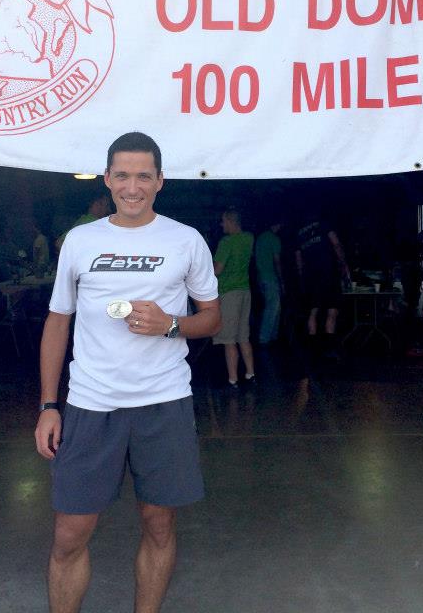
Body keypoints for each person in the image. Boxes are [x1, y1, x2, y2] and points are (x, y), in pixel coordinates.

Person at [34, 132, 221, 613]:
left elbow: (212, 318)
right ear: (107, 179)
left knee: (159, 525)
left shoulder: (186, 240)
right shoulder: (80, 241)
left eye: (143, 176)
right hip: (91, 405)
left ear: (160, 181)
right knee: (69, 534)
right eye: (122, 175)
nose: (132, 187)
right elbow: (58, 322)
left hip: (164, 403)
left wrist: (171, 324)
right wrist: (48, 405)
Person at [294, 216, 349, 359]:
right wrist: (343, 264)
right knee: (332, 311)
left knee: (313, 312)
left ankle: (312, 349)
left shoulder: (300, 233)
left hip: (311, 276)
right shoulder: (324, 224)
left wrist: (302, 279)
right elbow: (336, 244)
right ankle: (330, 348)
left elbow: (298, 259)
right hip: (328, 272)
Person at [213, 210, 255, 388]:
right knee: (243, 337)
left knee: (229, 339)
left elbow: (217, 270)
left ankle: (232, 380)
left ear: (231, 221)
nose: (222, 225)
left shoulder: (226, 242)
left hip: (228, 292)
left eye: (223, 221)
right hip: (245, 291)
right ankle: (250, 374)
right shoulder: (249, 238)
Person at [255, 221, 284, 345]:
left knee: (275, 307)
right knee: (272, 307)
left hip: (261, 277)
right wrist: (282, 280)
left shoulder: (260, 238)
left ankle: (273, 336)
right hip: (271, 277)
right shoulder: (274, 239)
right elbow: (277, 261)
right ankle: (264, 337)